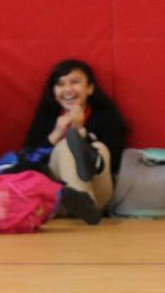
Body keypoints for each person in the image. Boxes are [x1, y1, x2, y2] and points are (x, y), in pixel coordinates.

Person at [17, 59, 128, 215]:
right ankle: (84, 205)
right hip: (58, 198)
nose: (68, 90)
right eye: (60, 84)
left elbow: (115, 164)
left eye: (75, 82)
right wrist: (55, 135)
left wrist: (80, 130)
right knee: (66, 147)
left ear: (90, 88)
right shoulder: (46, 117)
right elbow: (25, 163)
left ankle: (85, 205)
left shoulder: (108, 117)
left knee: (100, 148)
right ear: (53, 92)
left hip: (100, 195)